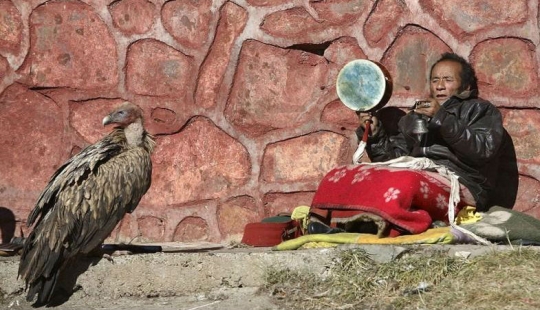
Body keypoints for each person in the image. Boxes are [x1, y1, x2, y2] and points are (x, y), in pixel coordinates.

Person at [356, 52, 512, 212]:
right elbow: (394, 161)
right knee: (357, 177)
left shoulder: (480, 109)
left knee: (407, 183)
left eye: (448, 80)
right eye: (435, 80)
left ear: (466, 86)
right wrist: (376, 136)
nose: (439, 86)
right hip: (416, 177)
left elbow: (482, 151)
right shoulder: (415, 116)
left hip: (462, 184)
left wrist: (442, 118)